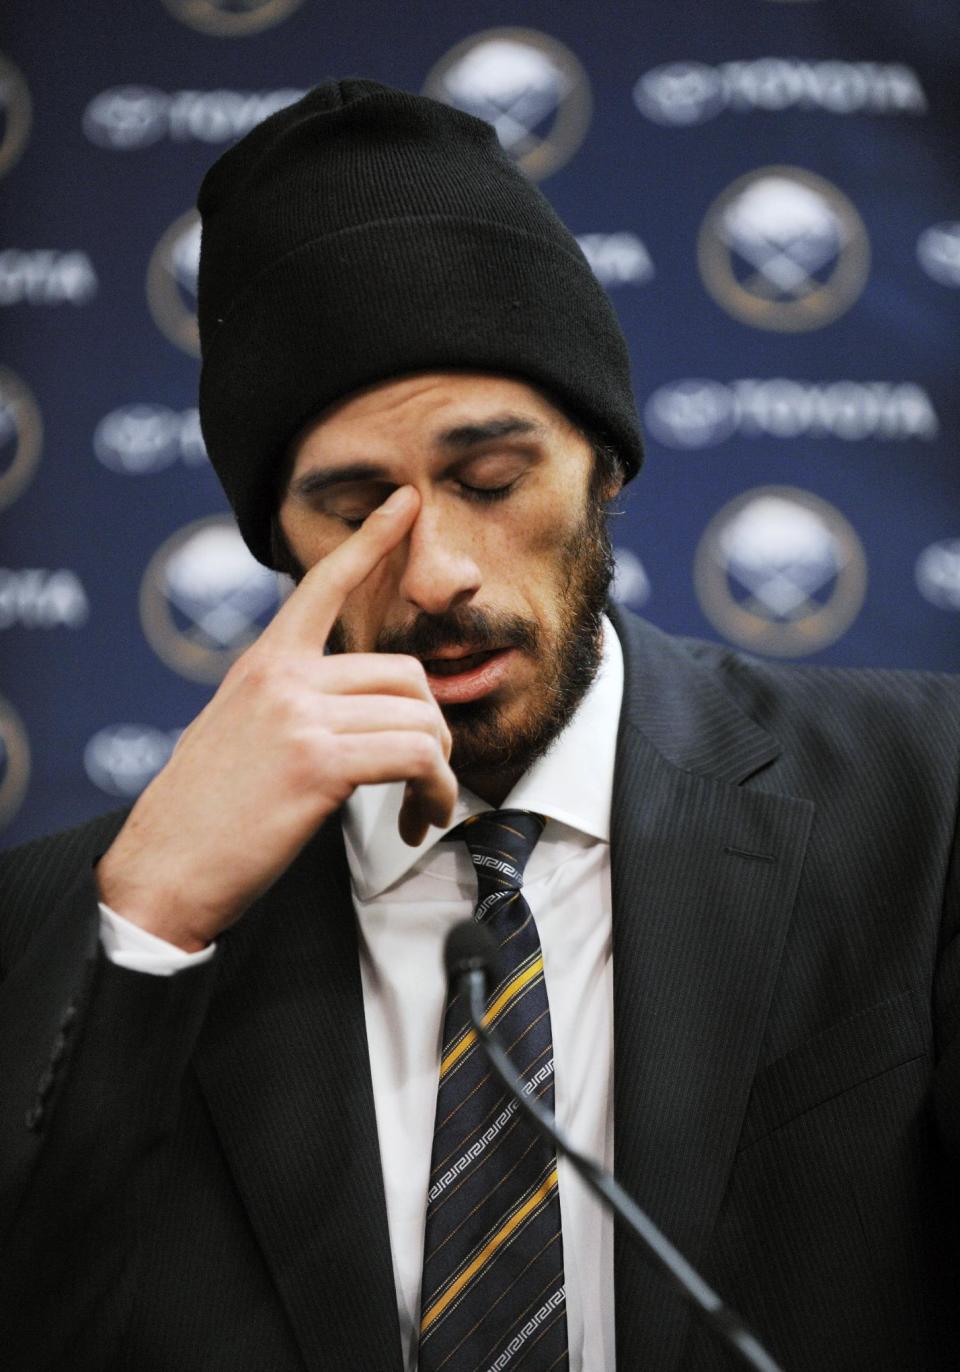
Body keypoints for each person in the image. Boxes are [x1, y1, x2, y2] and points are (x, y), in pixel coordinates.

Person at [1, 78, 958, 1372]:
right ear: (277, 549)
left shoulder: (926, 799)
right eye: (353, 509)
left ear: (603, 462)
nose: (439, 569)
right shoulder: (85, 925)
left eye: (490, 479)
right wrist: (151, 933)